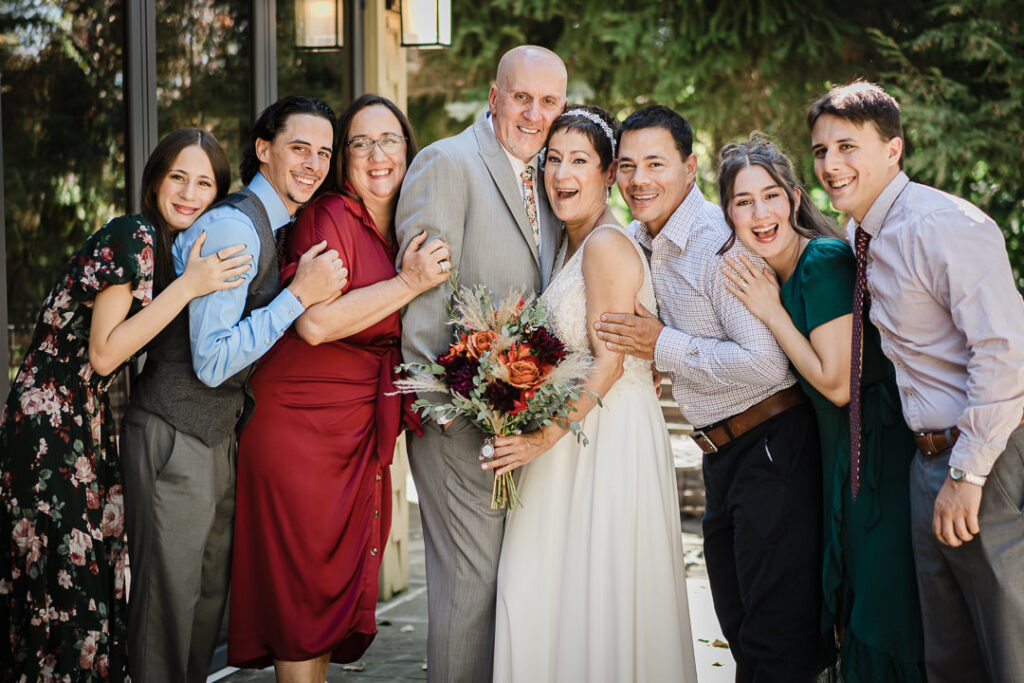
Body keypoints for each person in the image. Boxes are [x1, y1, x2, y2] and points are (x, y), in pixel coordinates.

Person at [0, 127, 250, 681]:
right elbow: (107, 352)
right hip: (50, 424)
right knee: (64, 586)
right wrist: (189, 286)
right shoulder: (132, 236)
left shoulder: (164, 247)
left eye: (204, 183)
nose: (189, 192)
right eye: (178, 177)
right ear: (155, 180)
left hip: (80, 420)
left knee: (80, 585)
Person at [593, 106, 828, 682]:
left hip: (773, 448)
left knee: (774, 642)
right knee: (742, 628)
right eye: (627, 166)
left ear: (689, 167)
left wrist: (661, 345)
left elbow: (769, 364)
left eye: (655, 163)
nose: (639, 179)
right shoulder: (638, 239)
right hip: (722, 457)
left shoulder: (719, 243)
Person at [120, 96, 347, 683]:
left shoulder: (278, 225)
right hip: (175, 432)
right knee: (164, 621)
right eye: (300, 147)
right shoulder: (233, 228)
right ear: (264, 149)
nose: (314, 163)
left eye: (324, 152)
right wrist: (299, 296)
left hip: (215, 438)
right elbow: (215, 361)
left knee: (200, 618)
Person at [227, 94, 450, 682]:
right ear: (345, 162)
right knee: (303, 597)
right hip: (301, 425)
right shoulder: (328, 217)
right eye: (360, 143)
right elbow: (316, 323)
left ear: (409, 149)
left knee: (327, 595)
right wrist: (408, 282)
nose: (377, 155)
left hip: (354, 428)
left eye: (390, 141)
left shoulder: (408, 223)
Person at [808, 81, 1024, 683]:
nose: (831, 164)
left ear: (893, 150)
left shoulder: (943, 225)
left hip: (987, 459)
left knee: (1010, 649)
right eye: (822, 150)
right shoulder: (861, 235)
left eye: (848, 146)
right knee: (949, 656)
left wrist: (967, 471)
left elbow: (1006, 353)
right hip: (925, 461)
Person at [484, 105, 698, 682]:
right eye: (553, 160)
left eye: (579, 160)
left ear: (607, 176)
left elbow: (608, 363)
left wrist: (537, 442)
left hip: (603, 438)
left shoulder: (605, 245)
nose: (561, 173)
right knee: (548, 592)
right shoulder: (574, 246)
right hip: (578, 435)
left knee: (585, 590)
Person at [717, 132, 925, 682]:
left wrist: (771, 313)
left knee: (883, 610)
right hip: (836, 459)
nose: (760, 214)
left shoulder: (823, 261)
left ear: (794, 197)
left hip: (875, 454)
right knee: (853, 608)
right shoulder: (775, 275)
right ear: (729, 215)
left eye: (770, 196)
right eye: (743, 202)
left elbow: (837, 385)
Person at [395, 45, 567, 682]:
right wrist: (439, 410)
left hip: (515, 423)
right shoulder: (447, 163)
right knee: (469, 591)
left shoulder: (552, 176)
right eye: (522, 97)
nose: (534, 113)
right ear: (494, 97)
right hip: (455, 420)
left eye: (549, 102)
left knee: (505, 588)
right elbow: (425, 294)